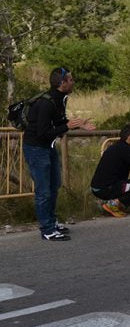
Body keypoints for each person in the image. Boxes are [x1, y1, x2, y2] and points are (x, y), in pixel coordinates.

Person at [23, 67, 95, 241]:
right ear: (61, 83)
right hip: (36, 148)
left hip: (48, 147)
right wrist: (67, 127)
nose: (73, 82)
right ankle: (47, 229)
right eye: (70, 79)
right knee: (43, 191)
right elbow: (42, 132)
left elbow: (58, 123)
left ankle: (52, 222)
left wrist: (78, 124)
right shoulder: (47, 103)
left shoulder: (60, 99)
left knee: (54, 185)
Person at [90, 124, 130, 217]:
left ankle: (115, 205)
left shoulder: (119, 147)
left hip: (100, 187)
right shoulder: (124, 150)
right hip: (107, 188)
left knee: (129, 184)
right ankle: (113, 205)